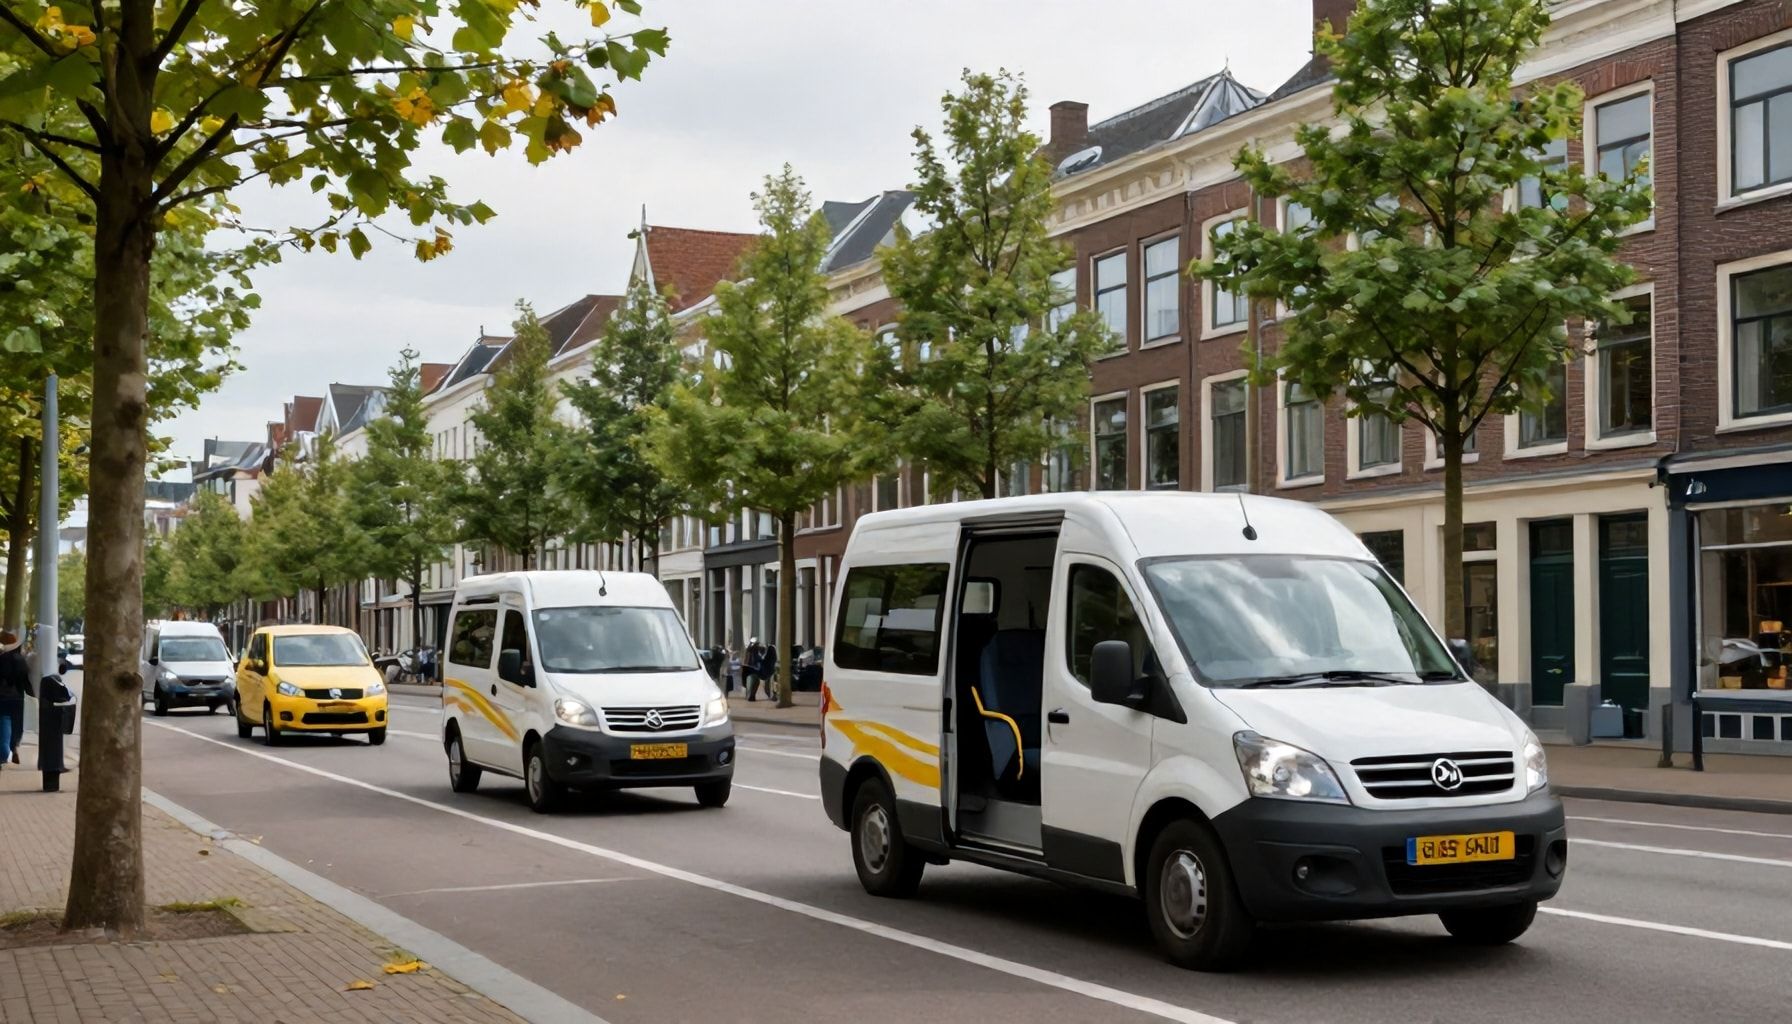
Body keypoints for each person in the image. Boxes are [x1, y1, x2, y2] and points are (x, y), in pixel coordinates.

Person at [0, 631, 33, 769]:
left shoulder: (0, 659)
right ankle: (14, 747)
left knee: (4, 723)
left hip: (2, 697)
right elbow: (26, 680)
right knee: (17, 725)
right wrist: (33, 692)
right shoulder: (21, 660)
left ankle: (3, 754)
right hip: (18, 697)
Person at [744, 637, 767, 702]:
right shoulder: (755, 651)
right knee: (755, 682)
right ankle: (751, 696)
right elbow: (758, 659)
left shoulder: (749, 650)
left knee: (751, 682)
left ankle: (750, 696)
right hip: (754, 668)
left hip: (750, 667)